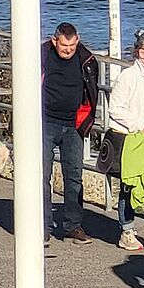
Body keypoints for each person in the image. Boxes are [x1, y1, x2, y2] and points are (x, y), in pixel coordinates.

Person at [105, 30, 144, 253]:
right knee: (131, 185)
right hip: (136, 140)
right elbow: (115, 108)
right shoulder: (129, 77)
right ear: (141, 53)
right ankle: (127, 230)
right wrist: (139, 123)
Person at [42, 21, 101, 245]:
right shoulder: (42, 55)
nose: (68, 50)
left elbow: (91, 91)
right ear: (55, 40)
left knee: (74, 177)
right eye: (64, 45)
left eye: (72, 46)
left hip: (74, 125)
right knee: (42, 176)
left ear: (78, 41)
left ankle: (73, 225)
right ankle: (43, 226)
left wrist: (87, 119)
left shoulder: (86, 60)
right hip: (45, 122)